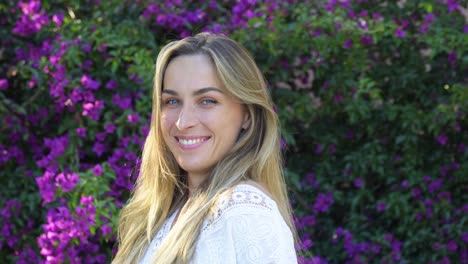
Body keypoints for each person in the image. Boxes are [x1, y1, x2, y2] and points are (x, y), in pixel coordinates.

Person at [112, 32, 298, 264]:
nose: (183, 121)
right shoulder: (166, 213)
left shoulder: (243, 209)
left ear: (247, 116)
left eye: (207, 101)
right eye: (172, 101)